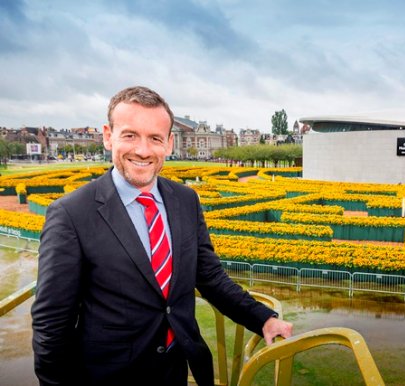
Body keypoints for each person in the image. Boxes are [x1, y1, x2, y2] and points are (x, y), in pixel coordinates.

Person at [31, 86, 293, 386]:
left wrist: (264, 319)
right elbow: (51, 324)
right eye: (130, 135)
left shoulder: (185, 200)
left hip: (174, 370)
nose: (143, 150)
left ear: (168, 143)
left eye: (155, 138)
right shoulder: (71, 213)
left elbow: (210, 278)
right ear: (108, 136)